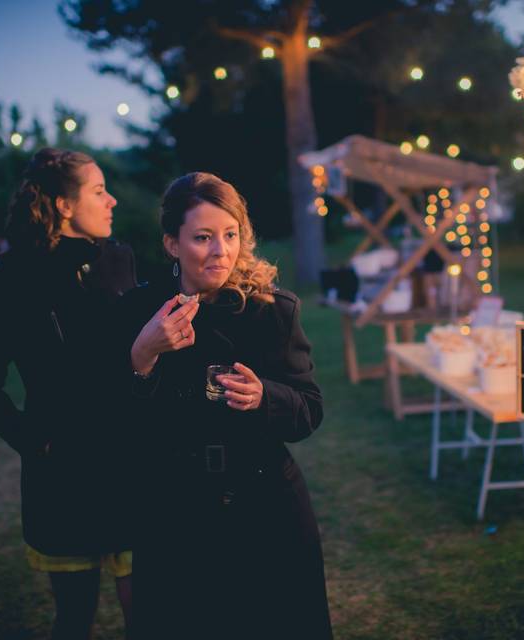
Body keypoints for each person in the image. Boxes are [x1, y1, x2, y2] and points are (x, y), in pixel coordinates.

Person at [123, 172, 333, 638]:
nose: (221, 250)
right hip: (176, 511)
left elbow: (309, 409)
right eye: (203, 237)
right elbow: (119, 423)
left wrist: (267, 397)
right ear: (172, 244)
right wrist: (143, 356)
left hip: (265, 506)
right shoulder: (139, 313)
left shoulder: (272, 311)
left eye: (231, 234)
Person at [0, 148, 138, 639]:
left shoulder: (119, 260)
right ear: (63, 204)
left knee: (149, 608)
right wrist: (32, 440)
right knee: (74, 617)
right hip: (64, 476)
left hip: (132, 461)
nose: (113, 201)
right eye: (99, 191)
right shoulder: (13, 280)